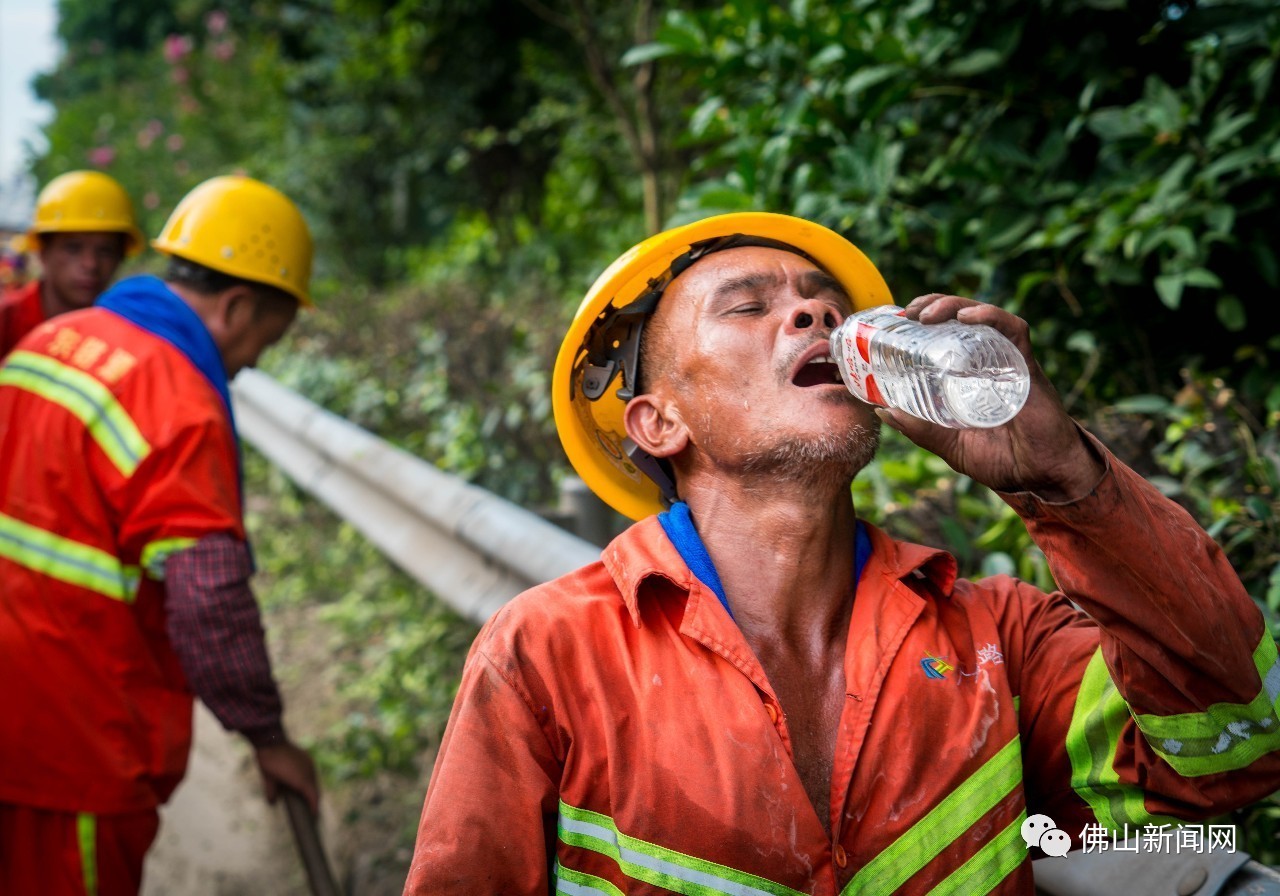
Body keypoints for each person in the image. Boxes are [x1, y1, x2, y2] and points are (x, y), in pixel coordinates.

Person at [402, 213, 1280, 895]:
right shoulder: (549, 656)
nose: (816, 312)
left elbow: (1227, 759)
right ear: (661, 422)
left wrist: (1067, 480)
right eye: (749, 305)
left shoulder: (995, 638)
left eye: (825, 301)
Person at [0, 174, 320, 896]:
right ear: (237, 307)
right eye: (265, 342)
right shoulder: (178, 402)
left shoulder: (49, 340)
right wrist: (268, 738)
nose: (254, 364)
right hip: (70, 750)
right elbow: (210, 602)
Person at [0, 170, 143, 356]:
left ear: (121, 256)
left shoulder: (131, 336)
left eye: (105, 251)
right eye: (73, 248)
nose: (90, 264)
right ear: (43, 251)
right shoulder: (6, 322)